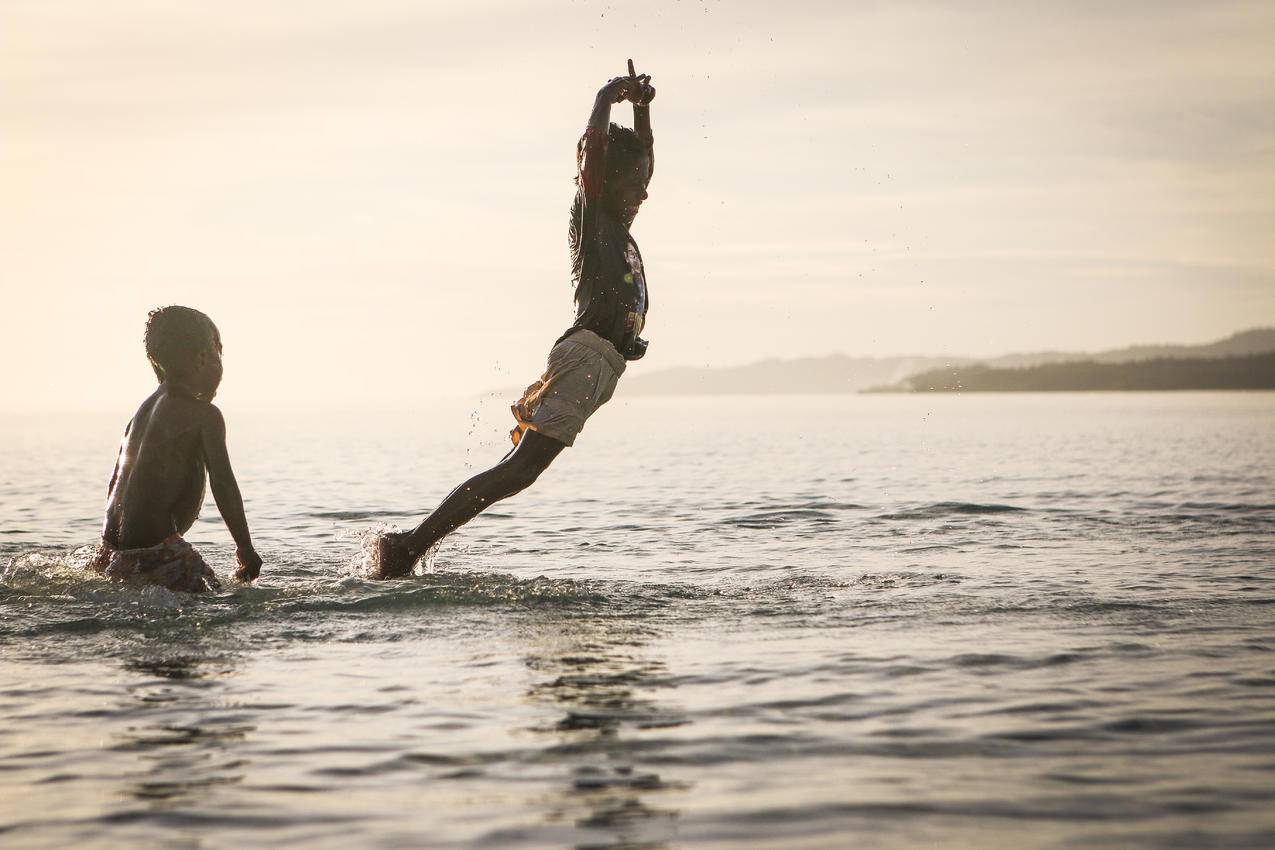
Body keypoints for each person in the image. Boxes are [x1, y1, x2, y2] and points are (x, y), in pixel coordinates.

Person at [371, 61, 657, 578]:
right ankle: (409, 547)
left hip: (602, 366)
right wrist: (605, 96)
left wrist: (641, 113)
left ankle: (410, 546)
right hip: (586, 356)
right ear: (604, 182)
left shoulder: (618, 222)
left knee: (518, 471)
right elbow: (592, 154)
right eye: (633, 183)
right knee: (518, 471)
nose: (644, 192)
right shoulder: (596, 218)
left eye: (644, 183)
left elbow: (644, 162)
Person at [89, 306, 262, 592]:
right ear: (204, 357)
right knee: (219, 599)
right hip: (159, 553)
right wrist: (245, 549)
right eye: (219, 355)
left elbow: (115, 483)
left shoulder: (141, 413)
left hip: (110, 554)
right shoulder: (204, 415)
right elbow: (223, 483)